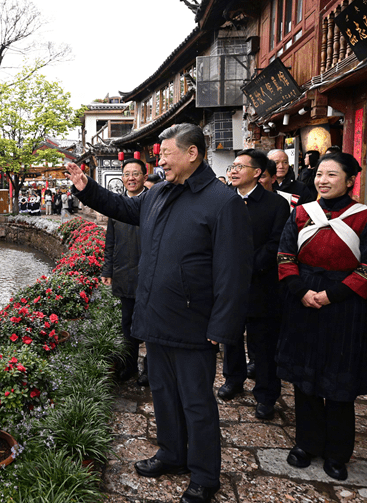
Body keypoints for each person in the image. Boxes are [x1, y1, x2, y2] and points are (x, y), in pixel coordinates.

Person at [66, 123, 252, 503]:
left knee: (197, 402)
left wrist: (223, 324)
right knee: (164, 393)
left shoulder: (222, 202)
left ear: (192, 153)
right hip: (156, 314)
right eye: (160, 154)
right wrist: (87, 187)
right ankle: (171, 453)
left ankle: (204, 475)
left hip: (194, 321)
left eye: (166, 154)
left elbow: (234, 272)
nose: (160, 161)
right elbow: (122, 208)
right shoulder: (158, 194)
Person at [276, 151, 367, 482]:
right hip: (304, 301)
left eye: (332, 175)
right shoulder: (300, 213)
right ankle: (307, 444)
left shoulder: (366, 218)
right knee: (305, 379)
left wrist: (331, 295)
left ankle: (338, 452)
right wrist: (301, 290)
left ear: (351, 180)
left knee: (339, 381)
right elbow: (284, 254)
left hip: (344, 306)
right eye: (320, 174)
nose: (323, 180)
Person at [218, 150, 289, 421]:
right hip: (229, 284)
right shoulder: (223, 201)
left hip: (262, 284)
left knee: (263, 344)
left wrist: (246, 269)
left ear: (258, 173)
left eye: (240, 166)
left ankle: (266, 394)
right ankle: (233, 380)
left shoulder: (275, 204)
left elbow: (276, 243)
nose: (233, 170)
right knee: (231, 337)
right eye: (232, 166)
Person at [101, 158, 149, 385]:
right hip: (124, 273)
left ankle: (149, 369)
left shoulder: (152, 204)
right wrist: (107, 270)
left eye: (136, 173)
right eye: (127, 174)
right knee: (127, 323)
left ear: (144, 177)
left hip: (149, 274)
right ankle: (129, 366)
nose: (131, 178)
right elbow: (109, 243)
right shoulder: (116, 208)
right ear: (122, 178)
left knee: (150, 323)